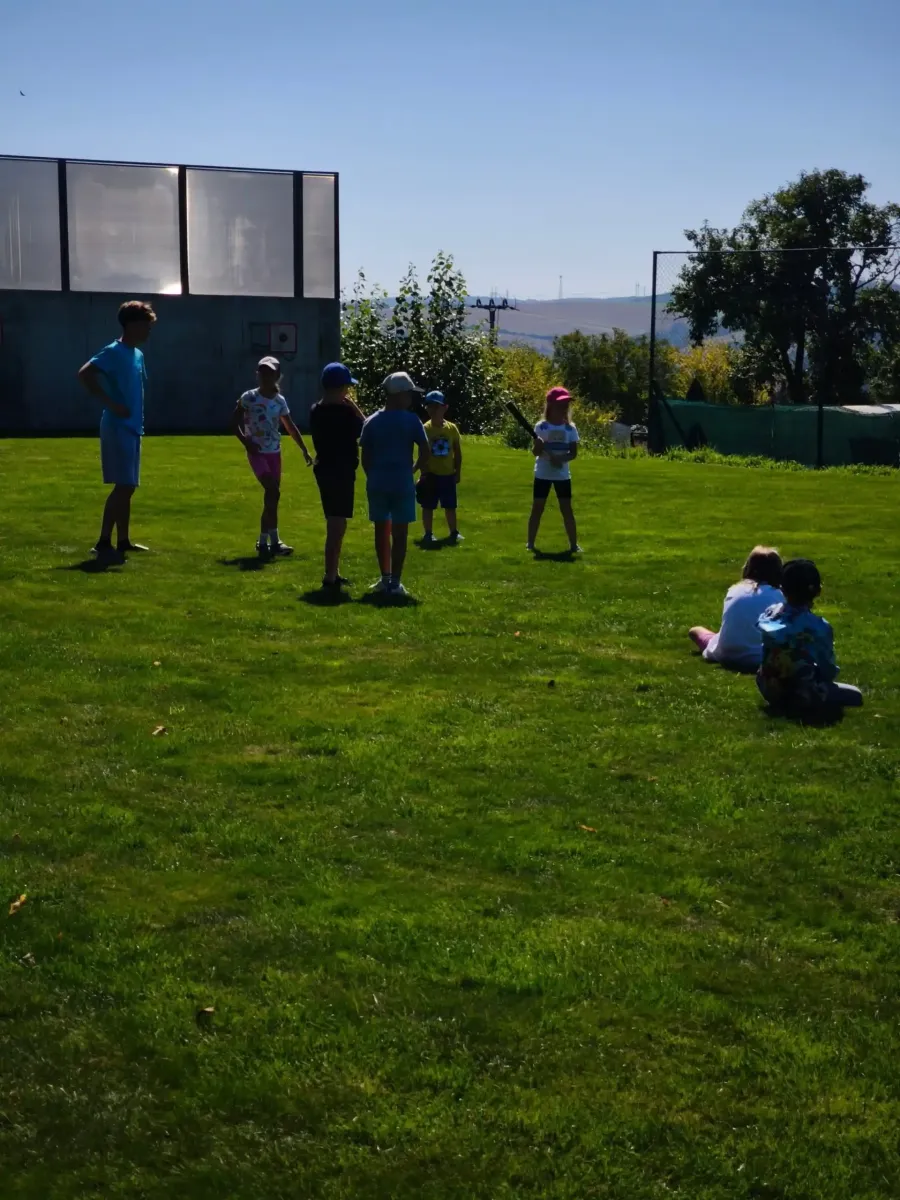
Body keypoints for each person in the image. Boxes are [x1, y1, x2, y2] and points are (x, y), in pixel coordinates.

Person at [77, 300, 156, 560]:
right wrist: (111, 404)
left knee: (129, 486)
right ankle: (103, 541)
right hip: (117, 426)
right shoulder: (114, 351)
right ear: (131, 325)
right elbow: (85, 374)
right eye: (145, 325)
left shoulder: (138, 355)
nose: (148, 330)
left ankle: (123, 541)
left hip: (133, 427)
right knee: (123, 486)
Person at [229, 356, 312, 558]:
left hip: (274, 452)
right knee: (272, 491)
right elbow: (234, 421)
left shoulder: (279, 401)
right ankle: (265, 541)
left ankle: (272, 541)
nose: (266, 377)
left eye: (270, 373)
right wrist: (246, 442)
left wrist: (304, 449)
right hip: (257, 453)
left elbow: (289, 426)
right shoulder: (249, 397)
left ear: (277, 376)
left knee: (273, 497)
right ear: (257, 374)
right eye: (263, 372)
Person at [756, 558, 863, 714]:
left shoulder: (770, 613)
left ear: (782, 589)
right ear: (818, 590)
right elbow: (827, 669)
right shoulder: (818, 627)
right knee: (856, 695)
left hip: (768, 687)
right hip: (802, 694)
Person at [360, 371, 429, 596]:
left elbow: (365, 458)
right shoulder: (412, 420)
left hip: (377, 484)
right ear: (399, 394)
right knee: (400, 534)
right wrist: (413, 470)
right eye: (409, 393)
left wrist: (373, 476)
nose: (411, 398)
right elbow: (425, 451)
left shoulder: (371, 421)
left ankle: (385, 578)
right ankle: (395, 583)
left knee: (381, 532)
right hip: (402, 484)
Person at [309, 362, 366, 590]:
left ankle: (333, 570)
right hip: (341, 471)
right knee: (337, 525)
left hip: (325, 469)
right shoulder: (345, 412)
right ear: (341, 387)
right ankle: (330, 576)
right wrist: (355, 407)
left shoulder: (316, 410)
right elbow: (366, 429)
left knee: (335, 521)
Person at [688, 546, 784, 670]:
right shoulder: (779, 595)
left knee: (696, 631)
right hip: (759, 657)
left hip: (725, 654)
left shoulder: (734, 590)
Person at [527, 386, 581, 553]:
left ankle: (574, 545)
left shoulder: (570, 428)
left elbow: (573, 453)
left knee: (566, 509)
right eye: (560, 404)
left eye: (566, 404)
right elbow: (535, 452)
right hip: (543, 474)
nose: (563, 408)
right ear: (550, 406)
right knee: (538, 507)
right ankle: (530, 544)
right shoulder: (542, 427)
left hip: (562, 475)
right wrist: (538, 445)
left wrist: (560, 459)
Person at [418, 391, 463, 545]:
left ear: (445, 407)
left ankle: (454, 532)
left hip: (448, 474)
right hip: (431, 474)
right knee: (428, 506)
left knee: (450, 505)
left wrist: (458, 472)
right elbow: (422, 453)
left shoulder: (451, 428)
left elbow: (457, 452)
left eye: (436, 406)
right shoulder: (425, 428)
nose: (433, 410)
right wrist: (424, 474)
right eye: (429, 406)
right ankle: (428, 533)